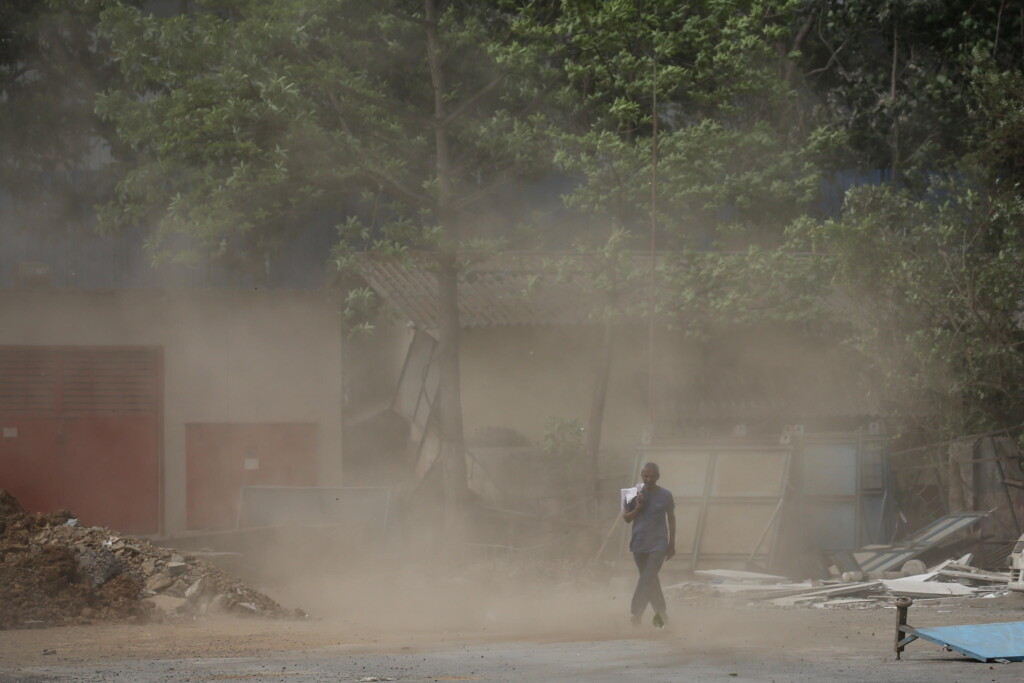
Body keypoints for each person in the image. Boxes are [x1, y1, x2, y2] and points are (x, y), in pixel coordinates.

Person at [622, 461, 675, 629]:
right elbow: (627, 518)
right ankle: (662, 616)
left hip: (658, 544)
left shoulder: (666, 495)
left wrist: (671, 543)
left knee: (647, 576)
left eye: (652, 476)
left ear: (658, 477)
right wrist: (638, 507)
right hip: (639, 544)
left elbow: (671, 518)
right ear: (641, 476)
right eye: (646, 475)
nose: (649, 479)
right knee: (651, 580)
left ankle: (636, 613)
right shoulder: (632, 493)